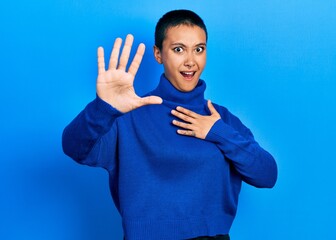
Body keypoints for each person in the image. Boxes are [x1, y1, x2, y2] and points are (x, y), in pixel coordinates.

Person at [62, 9, 277, 240]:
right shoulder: (128, 116)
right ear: (158, 54)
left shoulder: (221, 119)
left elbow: (267, 175)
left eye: (199, 49)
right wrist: (102, 108)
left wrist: (217, 132)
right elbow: (73, 147)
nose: (190, 61)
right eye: (178, 49)